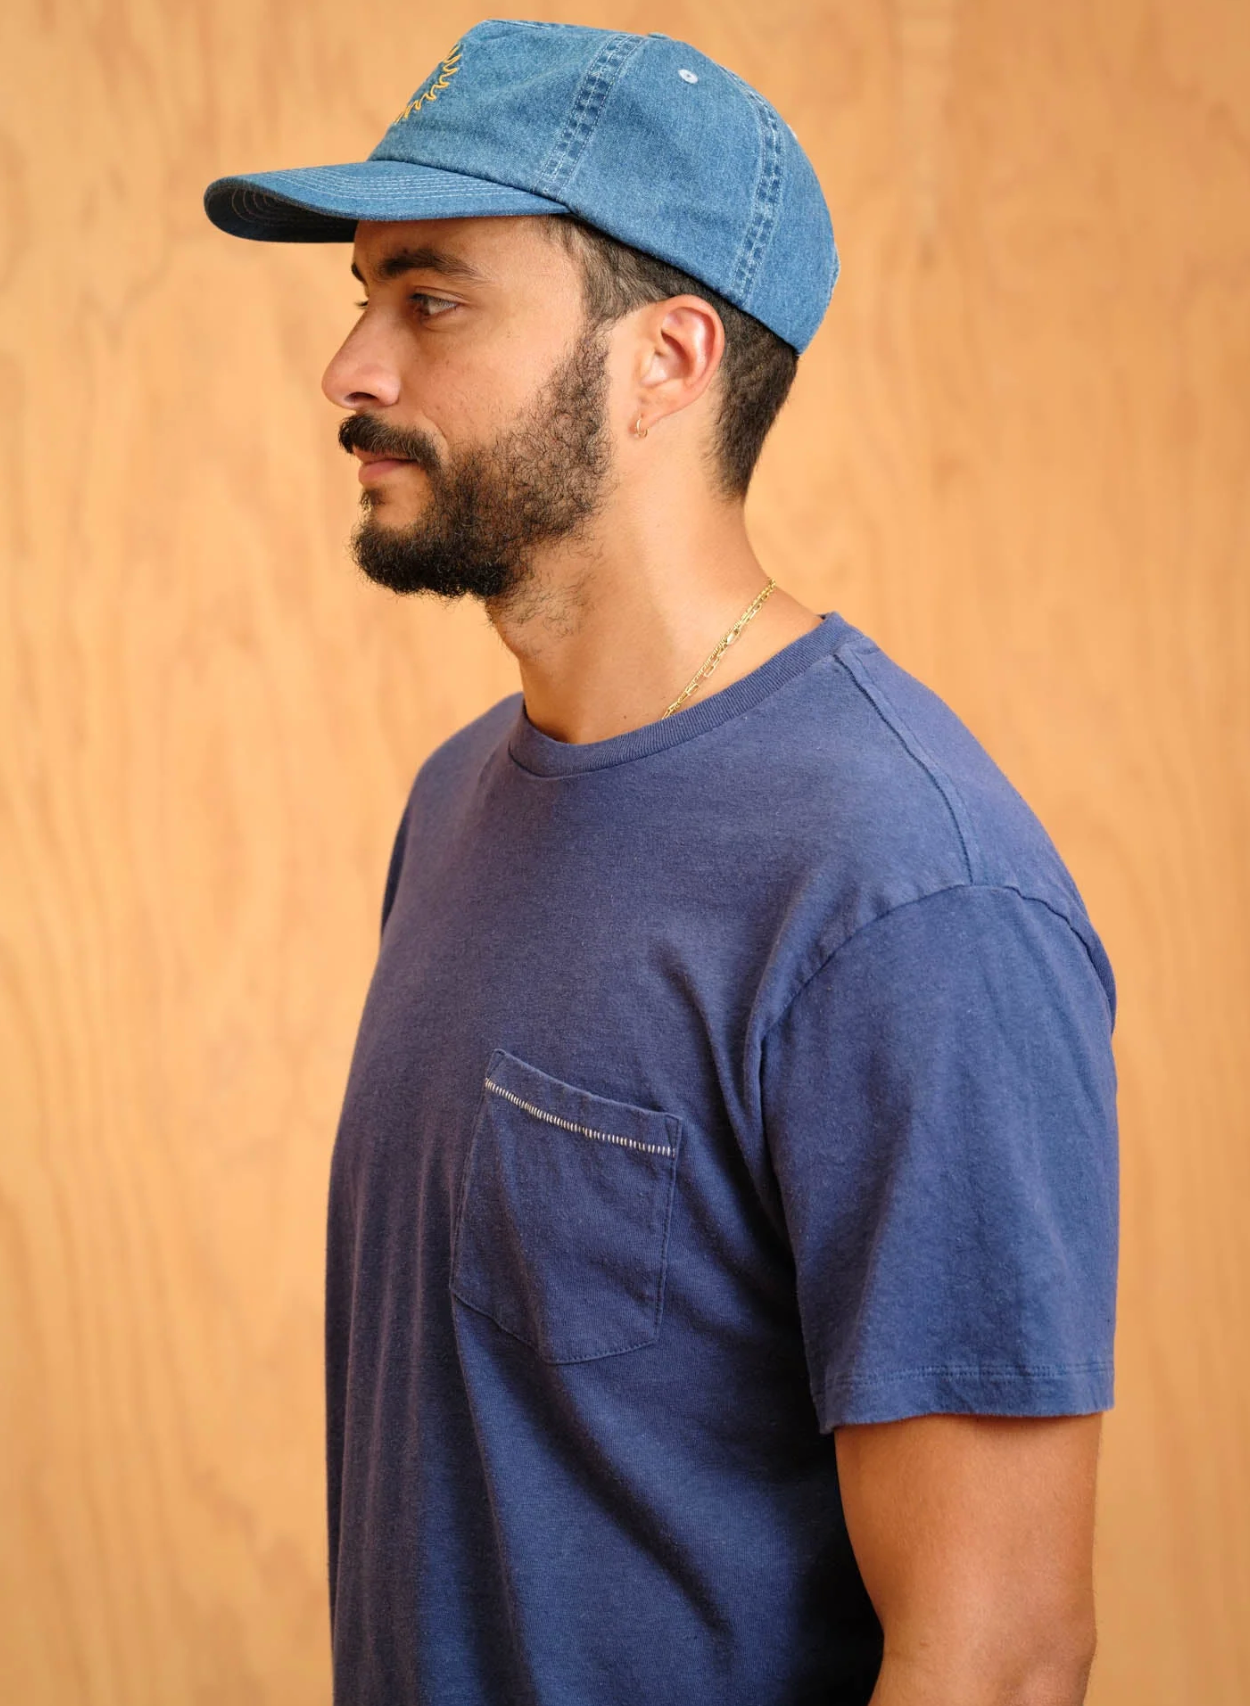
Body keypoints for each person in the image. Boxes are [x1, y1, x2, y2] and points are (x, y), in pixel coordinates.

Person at [204, 19, 1119, 1706]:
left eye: (433, 298)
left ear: (668, 359)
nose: (351, 368)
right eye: (360, 298)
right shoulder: (457, 799)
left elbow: (995, 1651)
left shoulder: (906, 894)